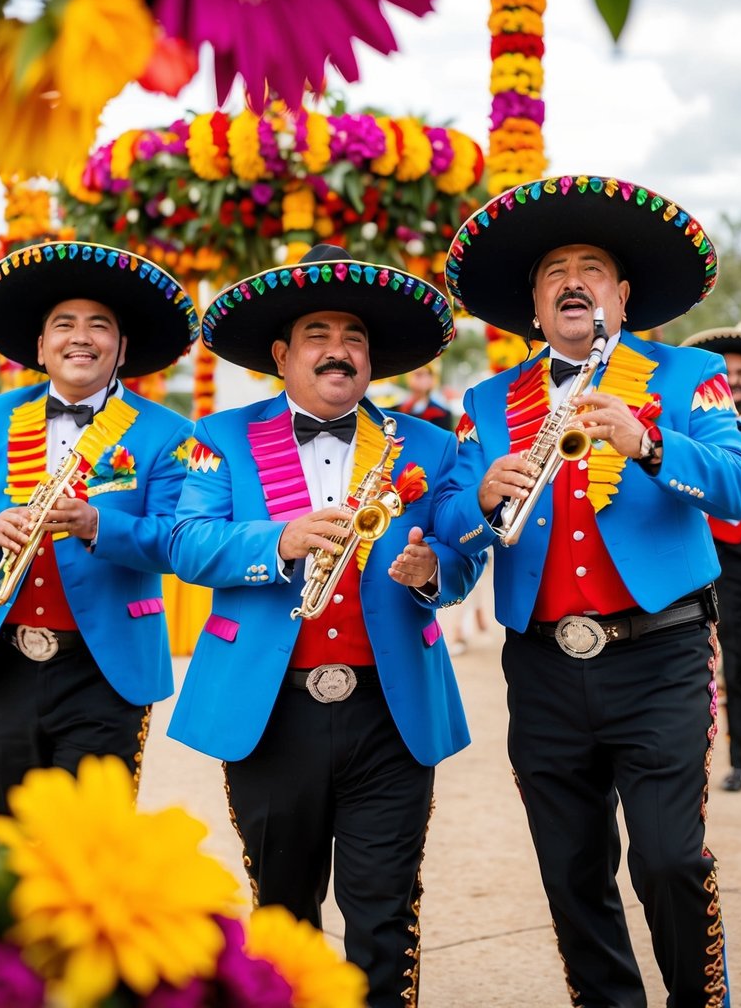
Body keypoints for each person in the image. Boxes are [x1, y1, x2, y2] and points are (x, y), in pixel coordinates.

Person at [435, 176, 741, 1008]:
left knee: (667, 859)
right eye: (554, 272)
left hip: (660, 654)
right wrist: (475, 500)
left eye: (591, 268)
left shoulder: (689, 375)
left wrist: (649, 444)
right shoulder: (486, 402)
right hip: (542, 665)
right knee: (570, 867)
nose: (572, 280)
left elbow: (737, 488)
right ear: (535, 308)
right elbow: (458, 526)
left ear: (620, 294)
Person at [167, 244, 483, 1007]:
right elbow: (185, 542)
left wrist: (433, 570)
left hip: (391, 710)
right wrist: (277, 540)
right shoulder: (216, 437)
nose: (337, 350)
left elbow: (461, 558)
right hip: (268, 711)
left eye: (352, 337)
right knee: (282, 917)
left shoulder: (431, 446)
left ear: (370, 357)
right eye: (317, 333)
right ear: (281, 353)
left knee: (384, 916)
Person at [0, 242, 198, 815]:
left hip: (108, 667)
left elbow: (180, 541)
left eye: (99, 325)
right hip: (7, 660)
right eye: (64, 324)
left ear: (121, 348)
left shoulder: (167, 431)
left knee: (91, 841)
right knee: (12, 834)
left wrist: (100, 524)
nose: (81, 336)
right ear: (40, 346)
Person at [682, 321, 741, 793]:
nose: (734, 381)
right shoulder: (706, 430)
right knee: (736, 662)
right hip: (731, 560)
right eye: (726, 373)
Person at [393, 361, 454, 431]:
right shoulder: (397, 409)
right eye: (416, 374)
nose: (418, 378)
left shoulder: (442, 414)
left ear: (432, 380)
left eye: (422, 374)